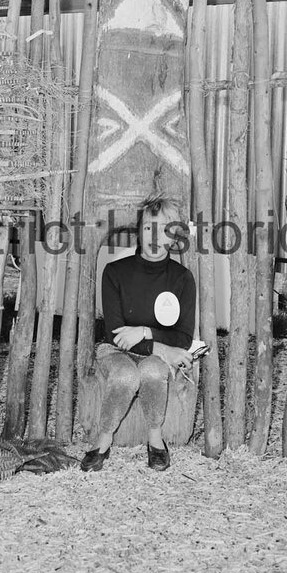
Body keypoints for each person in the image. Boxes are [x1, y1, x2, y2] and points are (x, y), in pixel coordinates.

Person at [80, 192, 196, 473]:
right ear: (139, 232)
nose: (154, 237)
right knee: (125, 374)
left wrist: (144, 332)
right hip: (115, 352)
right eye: (147, 228)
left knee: (153, 372)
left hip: (153, 356)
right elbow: (116, 335)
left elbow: (183, 338)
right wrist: (162, 347)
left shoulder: (182, 279)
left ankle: (155, 440)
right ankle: (103, 440)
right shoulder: (115, 272)